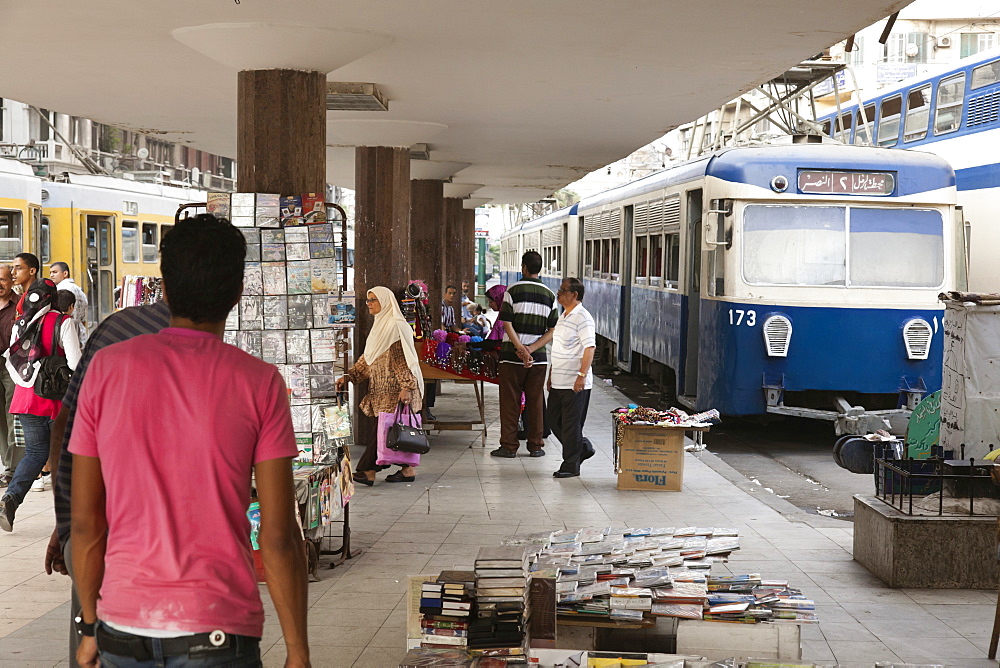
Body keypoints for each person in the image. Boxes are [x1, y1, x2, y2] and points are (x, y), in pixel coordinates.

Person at [69, 214, 309, 668]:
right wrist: (297, 649)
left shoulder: (106, 369)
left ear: (166, 284)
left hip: (122, 629)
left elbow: (86, 523)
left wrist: (88, 627)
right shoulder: (260, 382)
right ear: (238, 293)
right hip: (218, 631)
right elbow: (278, 536)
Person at [46, 291, 171, 666]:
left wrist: (67, 520)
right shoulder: (229, 364)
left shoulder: (116, 328)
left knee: (92, 646)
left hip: (101, 530)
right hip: (164, 557)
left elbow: (64, 425)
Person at [0, 279, 82, 531]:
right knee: (69, 457)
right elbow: (75, 364)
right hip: (58, 401)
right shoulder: (63, 322)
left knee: (35, 454)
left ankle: (10, 500)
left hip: (26, 401)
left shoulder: (20, 324)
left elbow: (13, 362)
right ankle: (72, 517)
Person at [337, 287, 424, 485]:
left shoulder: (394, 326)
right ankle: (407, 469)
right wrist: (349, 376)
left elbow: (403, 360)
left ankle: (367, 470)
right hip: (381, 390)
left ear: (385, 302)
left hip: (396, 391)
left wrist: (407, 387)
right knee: (393, 430)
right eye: (368, 300)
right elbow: (369, 360)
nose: (369, 303)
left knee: (384, 432)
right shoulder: (381, 325)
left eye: (374, 300)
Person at [492, 251, 558, 458]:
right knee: (536, 401)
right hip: (537, 359)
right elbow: (552, 330)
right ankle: (536, 445)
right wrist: (531, 349)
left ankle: (509, 446)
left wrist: (520, 348)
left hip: (511, 357)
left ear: (524, 268)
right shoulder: (550, 295)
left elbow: (506, 323)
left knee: (510, 401)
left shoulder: (512, 291)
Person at [546, 278, 597, 478]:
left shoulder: (583, 317)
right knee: (553, 420)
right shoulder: (564, 316)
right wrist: (551, 374)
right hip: (558, 380)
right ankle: (582, 447)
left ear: (574, 295)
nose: (558, 294)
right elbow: (557, 347)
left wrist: (581, 376)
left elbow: (589, 347)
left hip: (575, 383)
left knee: (571, 425)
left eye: (562, 290)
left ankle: (570, 465)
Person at [0, 266, 19, 487]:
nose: (0, 284)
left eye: (3, 280)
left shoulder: (20, 304)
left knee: (12, 414)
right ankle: (7, 465)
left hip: (11, 364)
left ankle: (13, 468)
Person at [50, 262, 89, 346]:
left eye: (55, 272)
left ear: (65, 273)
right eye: (50, 273)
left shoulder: (62, 289)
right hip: (80, 333)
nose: (51, 275)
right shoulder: (77, 288)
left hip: (67, 333)